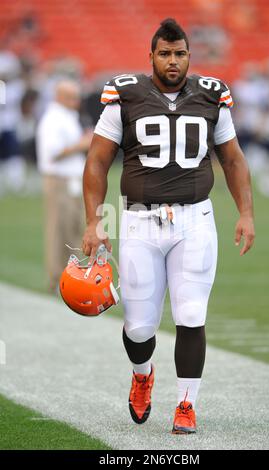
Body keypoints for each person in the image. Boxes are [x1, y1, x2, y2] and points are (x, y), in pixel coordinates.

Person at [82, 18, 255, 434]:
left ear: (189, 56)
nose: (172, 61)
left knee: (191, 316)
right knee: (139, 326)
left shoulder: (212, 96)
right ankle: (143, 374)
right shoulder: (124, 95)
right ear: (151, 56)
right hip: (140, 220)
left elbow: (232, 159)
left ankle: (186, 404)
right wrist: (93, 220)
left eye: (179, 54)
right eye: (165, 53)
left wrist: (246, 212)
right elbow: (97, 161)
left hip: (195, 220)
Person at [36, 80, 92, 293]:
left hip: (71, 180)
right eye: (71, 97)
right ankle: (57, 279)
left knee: (73, 229)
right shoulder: (53, 119)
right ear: (59, 96)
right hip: (58, 179)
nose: (76, 102)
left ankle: (70, 278)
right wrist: (83, 143)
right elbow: (53, 152)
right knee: (60, 231)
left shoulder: (66, 117)